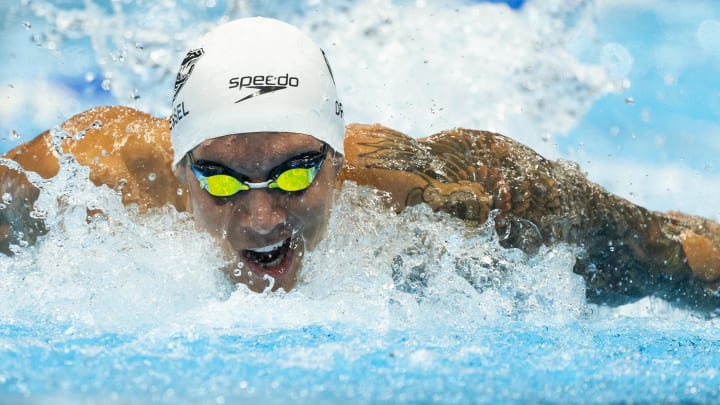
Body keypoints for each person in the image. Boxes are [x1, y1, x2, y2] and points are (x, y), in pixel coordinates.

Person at [1, 17, 719, 308]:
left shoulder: (436, 192)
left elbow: (666, 246)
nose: (261, 217)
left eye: (294, 173)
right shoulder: (76, 182)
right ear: (180, 166)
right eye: (220, 178)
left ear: (342, 165)